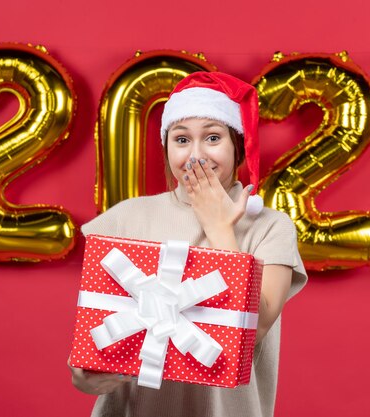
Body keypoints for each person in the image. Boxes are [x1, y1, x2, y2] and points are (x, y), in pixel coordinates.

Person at [69, 72, 307, 417]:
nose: (195, 155)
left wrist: (219, 226)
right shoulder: (125, 219)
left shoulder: (270, 227)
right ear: (167, 148)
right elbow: (95, 339)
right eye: (181, 140)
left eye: (212, 137)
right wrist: (88, 375)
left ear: (237, 145)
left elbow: (253, 330)